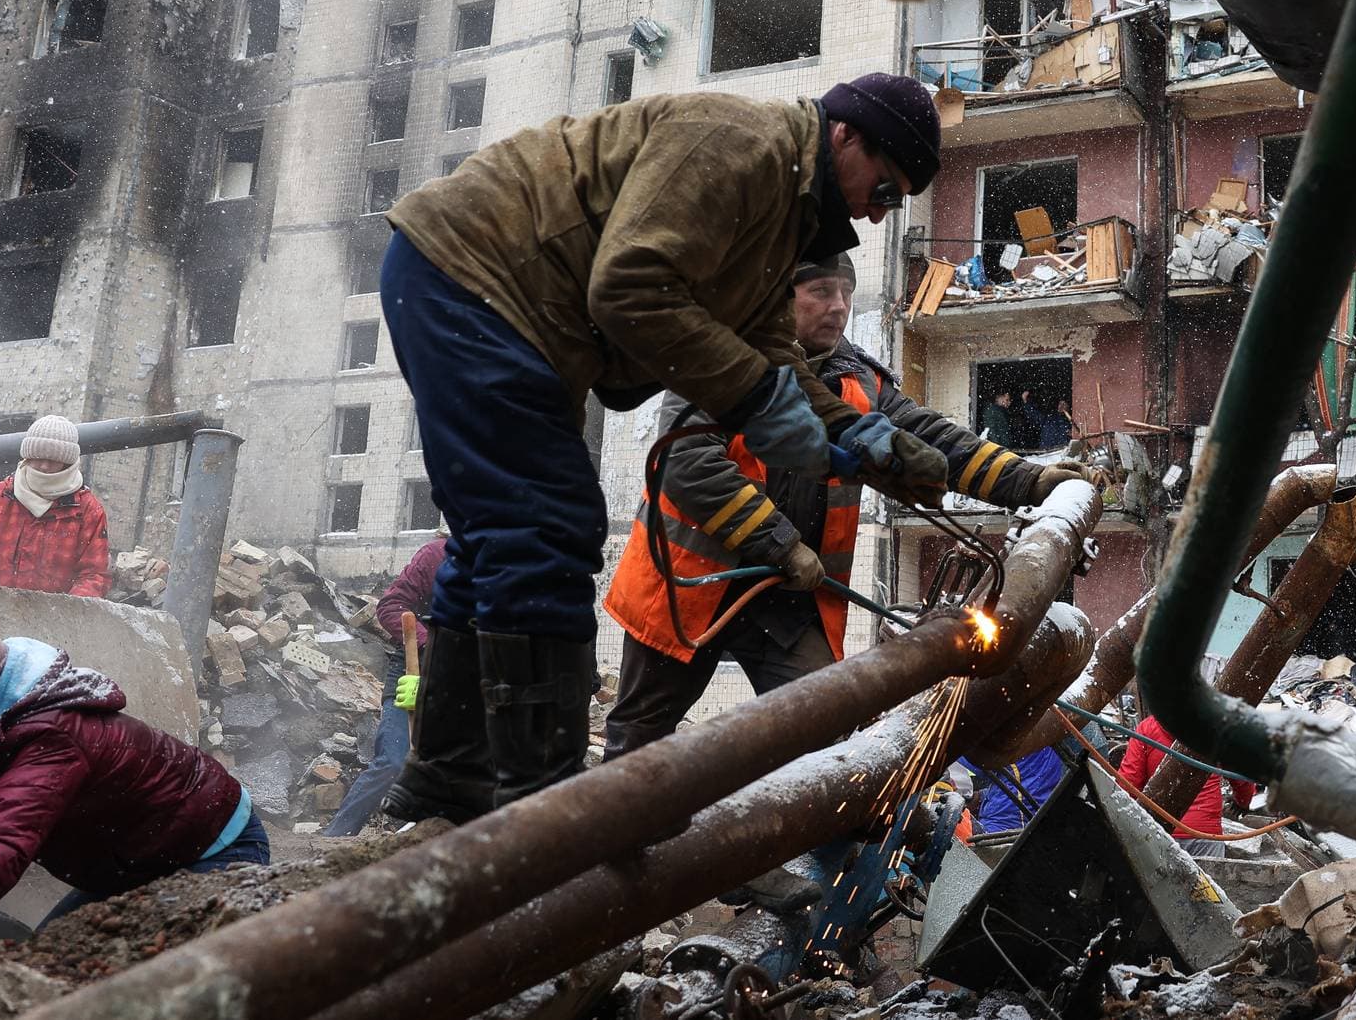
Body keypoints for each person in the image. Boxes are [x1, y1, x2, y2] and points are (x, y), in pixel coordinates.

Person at [379, 76, 954, 822]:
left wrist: (859, 438)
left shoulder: (778, 214)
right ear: (846, 136)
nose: (875, 214)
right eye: (883, 189)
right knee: (546, 528)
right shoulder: (740, 142)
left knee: (499, 542)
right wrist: (757, 400)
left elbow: (768, 352)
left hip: (500, 302)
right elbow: (629, 287)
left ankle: (446, 784)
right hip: (473, 275)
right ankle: (547, 820)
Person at [601, 253, 1092, 758]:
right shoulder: (720, 357)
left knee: (829, 743)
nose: (839, 307)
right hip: (690, 589)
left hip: (788, 601)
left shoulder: (858, 379)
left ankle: (814, 834)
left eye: (846, 293)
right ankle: (612, 836)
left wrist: (1030, 481)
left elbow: (931, 442)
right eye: (820, 292)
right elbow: (687, 465)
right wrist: (782, 546)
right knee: (639, 740)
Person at [0, 623, 268, 919]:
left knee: (141, 964)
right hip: (134, 862)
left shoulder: (52, 738)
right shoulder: (4, 720)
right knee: (50, 959)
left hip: (212, 849)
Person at [323, 537, 444, 837]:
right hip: (411, 671)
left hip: (461, 682)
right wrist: (428, 642)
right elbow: (392, 606)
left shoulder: (502, 566)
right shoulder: (436, 556)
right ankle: (336, 837)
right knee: (393, 761)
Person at [0, 416, 110, 598]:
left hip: (52, 620)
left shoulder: (87, 511)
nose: (44, 466)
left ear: (67, 462)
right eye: (38, 457)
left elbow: (94, 575)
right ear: (27, 456)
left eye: (53, 460)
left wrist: (62, 614)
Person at [1118, 714, 1256, 857]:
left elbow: (1127, 784)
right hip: (1205, 835)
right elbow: (1241, 774)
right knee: (1209, 878)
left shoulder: (1147, 728)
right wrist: (1242, 801)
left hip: (1158, 832)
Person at [967, 745, 1065, 834]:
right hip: (1021, 825)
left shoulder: (1018, 740)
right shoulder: (1049, 745)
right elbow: (1028, 781)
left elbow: (978, 762)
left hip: (1003, 828)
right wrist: (982, 796)